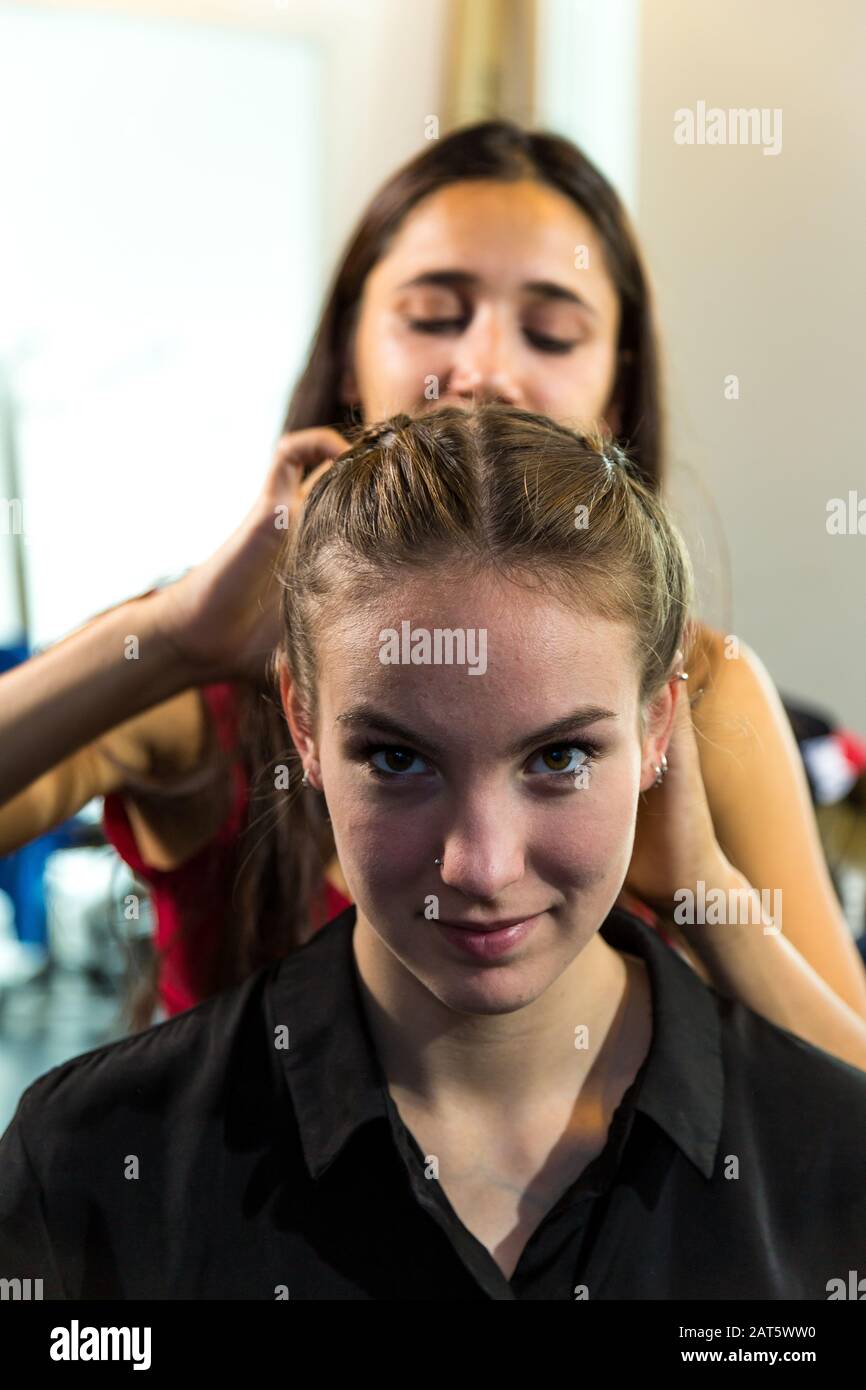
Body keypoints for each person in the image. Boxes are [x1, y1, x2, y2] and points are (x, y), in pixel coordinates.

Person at [2, 121, 865, 1065]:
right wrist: (172, 640)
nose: (485, 369)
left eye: (551, 331)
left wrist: (704, 889)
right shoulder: (196, 678)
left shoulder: (702, 694)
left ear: (617, 395)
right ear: (347, 359)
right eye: (432, 316)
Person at [2, 405, 865, 1301]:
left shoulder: (830, 1167)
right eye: (397, 758)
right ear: (304, 723)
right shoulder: (91, 1168)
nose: (481, 867)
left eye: (558, 757)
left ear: (657, 728)